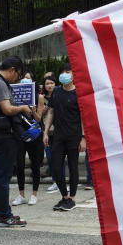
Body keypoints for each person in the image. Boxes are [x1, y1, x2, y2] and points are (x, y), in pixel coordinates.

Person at [0, 56, 30, 227]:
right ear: (12, 69)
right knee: (3, 177)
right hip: (3, 136)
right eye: (18, 75)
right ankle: (3, 216)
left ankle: (4, 213)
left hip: (1, 135)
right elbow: (7, 109)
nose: (17, 79)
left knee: (2, 176)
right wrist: (23, 107)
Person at [42, 63, 85, 211]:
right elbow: (51, 112)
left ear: (73, 74)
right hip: (58, 136)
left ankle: (72, 199)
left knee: (73, 167)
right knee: (56, 166)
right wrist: (45, 132)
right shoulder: (57, 92)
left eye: (68, 71)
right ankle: (64, 197)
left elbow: (83, 117)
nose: (65, 74)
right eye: (62, 72)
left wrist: (83, 138)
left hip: (74, 136)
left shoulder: (78, 93)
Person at [13, 74, 44, 206]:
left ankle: (34, 194)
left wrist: (33, 111)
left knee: (35, 164)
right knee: (19, 164)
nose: (25, 80)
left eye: (28, 78)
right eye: (23, 78)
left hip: (34, 134)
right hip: (20, 134)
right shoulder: (15, 95)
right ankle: (21, 194)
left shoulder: (39, 97)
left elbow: (38, 119)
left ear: (33, 81)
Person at [41, 75, 58, 193]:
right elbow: (39, 114)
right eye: (47, 83)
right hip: (47, 131)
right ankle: (54, 181)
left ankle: (60, 180)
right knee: (50, 157)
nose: (50, 85)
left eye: (52, 83)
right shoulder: (42, 98)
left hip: (59, 131)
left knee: (59, 157)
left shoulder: (60, 95)